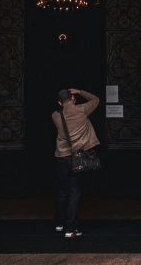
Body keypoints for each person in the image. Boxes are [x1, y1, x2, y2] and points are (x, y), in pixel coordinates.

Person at [51, 88, 100, 238]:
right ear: (72, 99)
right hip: (76, 158)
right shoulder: (82, 110)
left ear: (59, 103)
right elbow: (95, 100)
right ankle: (70, 228)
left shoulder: (55, 115)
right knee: (74, 191)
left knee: (62, 190)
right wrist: (79, 91)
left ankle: (59, 224)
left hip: (61, 157)